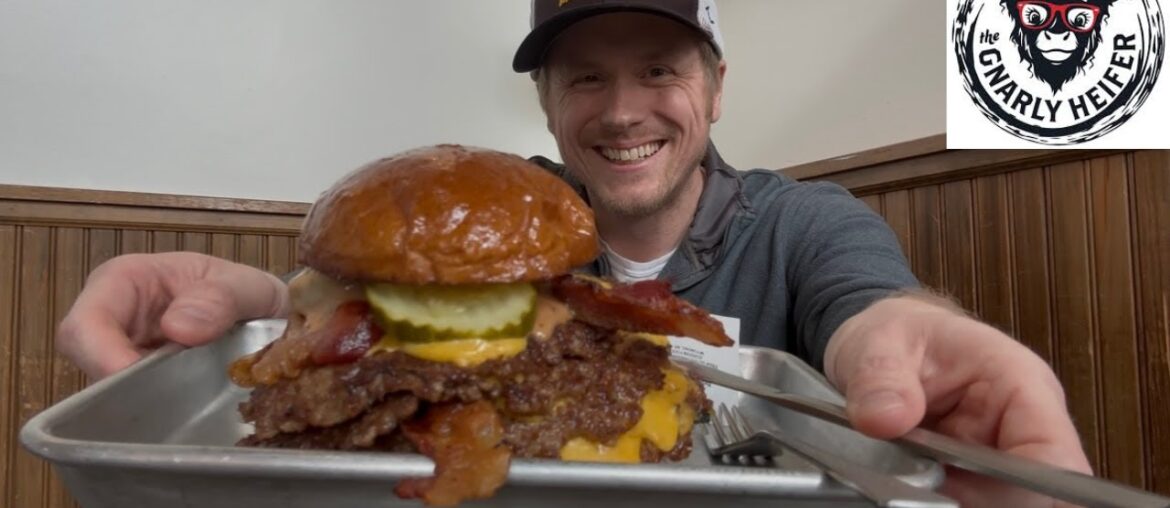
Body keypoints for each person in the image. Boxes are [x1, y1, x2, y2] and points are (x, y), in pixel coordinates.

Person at [55, 1, 1091, 506]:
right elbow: (345, 307)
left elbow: (876, 306)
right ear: (548, 104)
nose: (625, 110)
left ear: (715, 88)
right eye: (585, 80)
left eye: (658, 69)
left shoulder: (803, 222)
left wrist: (921, 333)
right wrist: (240, 299)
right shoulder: (494, 213)